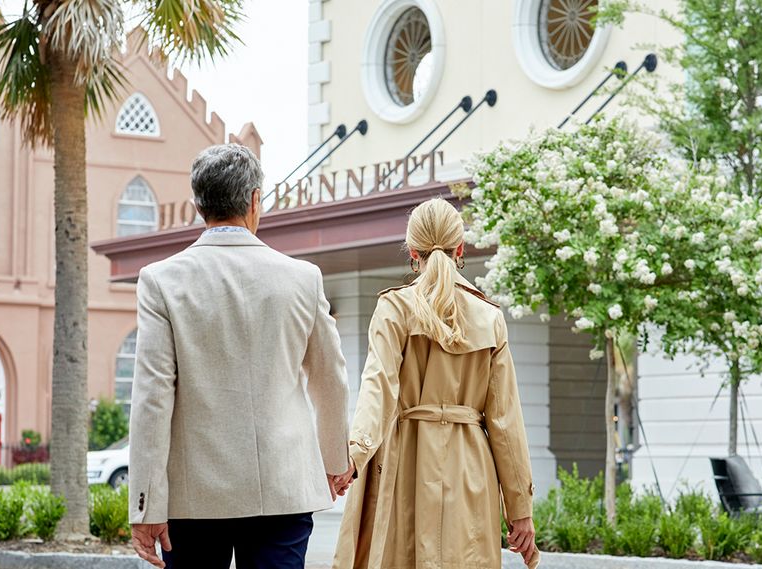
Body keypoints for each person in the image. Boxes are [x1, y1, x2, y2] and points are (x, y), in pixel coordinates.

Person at [128, 144, 351, 569]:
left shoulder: (160, 281)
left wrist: (146, 506)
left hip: (194, 500)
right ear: (254, 200)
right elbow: (330, 379)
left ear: (198, 204)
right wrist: (335, 461)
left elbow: (152, 399)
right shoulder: (303, 278)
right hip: (283, 491)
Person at [332, 198, 540, 568]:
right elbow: (505, 423)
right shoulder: (490, 317)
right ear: (461, 249)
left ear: (413, 252)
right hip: (470, 470)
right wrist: (519, 507)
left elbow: (377, 389)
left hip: (404, 465)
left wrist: (354, 455)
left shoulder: (394, 308)